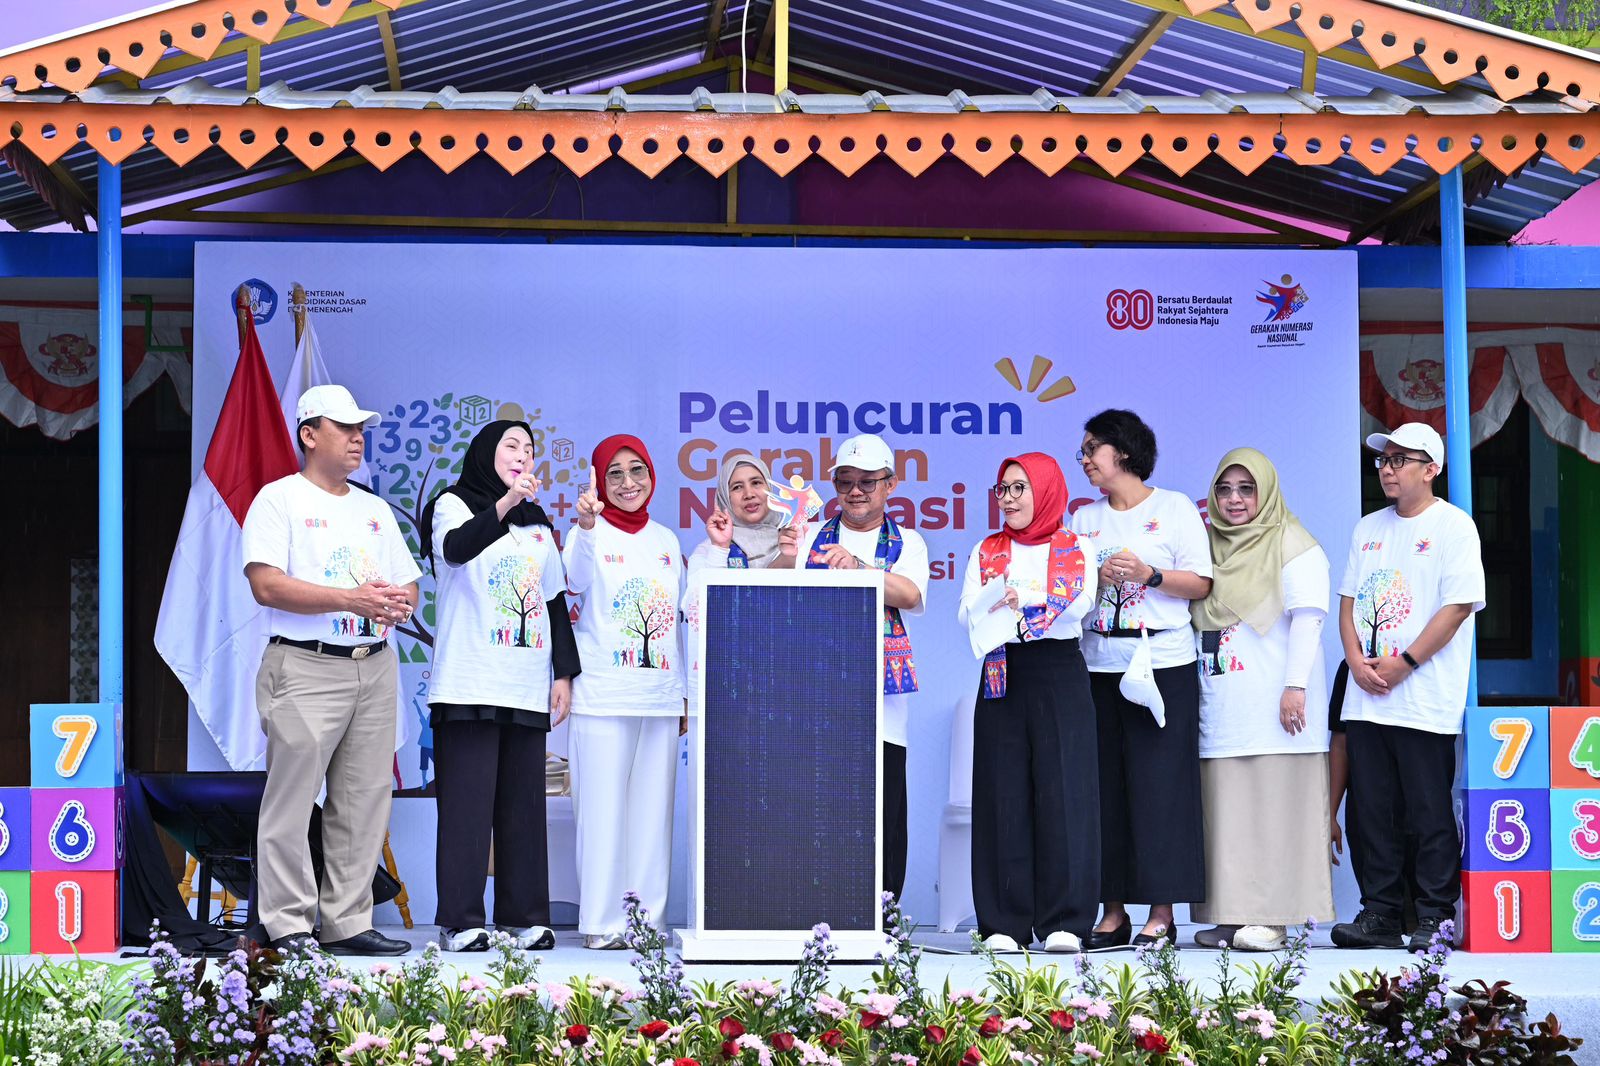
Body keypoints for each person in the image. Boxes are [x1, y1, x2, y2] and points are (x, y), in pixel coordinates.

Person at [242, 384, 420, 956]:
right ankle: (288, 924)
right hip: (305, 664)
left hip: (375, 665)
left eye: (360, 428)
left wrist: (398, 604)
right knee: (291, 800)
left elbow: (408, 583)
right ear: (309, 434)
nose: (356, 437)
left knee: (363, 799)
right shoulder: (278, 499)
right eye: (343, 427)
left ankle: (347, 922)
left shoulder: (372, 508)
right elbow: (266, 584)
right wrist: (352, 599)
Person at [419, 419, 580, 953]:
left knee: (523, 808)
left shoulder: (537, 523)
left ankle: (523, 916)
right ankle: (460, 920)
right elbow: (457, 549)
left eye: (529, 449)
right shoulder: (453, 504)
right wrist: (507, 503)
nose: (522, 455)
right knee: (467, 808)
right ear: (486, 452)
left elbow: (553, 600)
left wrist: (563, 672)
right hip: (469, 682)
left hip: (525, 683)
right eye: (512, 445)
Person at [1331, 422, 1484, 953]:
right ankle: (1380, 913)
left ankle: (1435, 916)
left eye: (1401, 460)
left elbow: (1457, 608)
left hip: (1423, 697)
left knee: (1427, 812)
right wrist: (1355, 660)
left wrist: (1407, 663)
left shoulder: (1454, 527)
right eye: (1384, 460)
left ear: (1431, 469)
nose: (1388, 469)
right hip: (1366, 696)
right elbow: (1348, 602)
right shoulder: (1367, 528)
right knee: (1371, 811)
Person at [1069, 408, 1212, 949]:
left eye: (1092, 449)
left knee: (1160, 788)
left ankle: (1161, 912)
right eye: (1083, 451)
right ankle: (1112, 911)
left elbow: (1200, 583)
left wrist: (1149, 574)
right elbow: (1068, 591)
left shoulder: (1173, 508)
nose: (1084, 460)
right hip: (1098, 662)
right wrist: (1094, 577)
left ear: (1123, 451)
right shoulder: (1084, 519)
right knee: (1103, 788)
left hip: (1162, 662)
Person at [1189, 448, 1335, 951]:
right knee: (1227, 815)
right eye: (1225, 489)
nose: (1234, 500)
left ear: (1266, 492)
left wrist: (1295, 687)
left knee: (1275, 811)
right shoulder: (1208, 546)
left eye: (1247, 489)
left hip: (1277, 707)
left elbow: (1309, 618)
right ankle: (1231, 916)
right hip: (1225, 704)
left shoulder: (1293, 542)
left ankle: (1274, 918)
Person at [958, 453, 1099, 953]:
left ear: (1045, 490)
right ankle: (1004, 922)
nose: (1009, 498)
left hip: (1057, 670)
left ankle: (1066, 921)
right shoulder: (986, 549)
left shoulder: (1074, 545)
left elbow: (1079, 604)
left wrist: (1026, 599)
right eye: (1003, 489)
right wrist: (1003, 603)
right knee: (1002, 792)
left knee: (1065, 792)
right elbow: (968, 610)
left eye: (1020, 488)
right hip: (1002, 668)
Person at [790, 433, 928, 900]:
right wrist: (784, 555)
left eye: (867, 481)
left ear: (890, 484)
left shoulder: (908, 541)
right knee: (817, 805)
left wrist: (858, 569)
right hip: (817, 689)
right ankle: (818, 909)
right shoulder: (809, 535)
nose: (855, 491)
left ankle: (884, 915)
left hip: (880, 696)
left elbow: (909, 594)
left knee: (882, 805)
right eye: (845, 481)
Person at [564, 434, 684, 949]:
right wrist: (587, 526)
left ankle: (645, 922)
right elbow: (572, 581)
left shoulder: (666, 540)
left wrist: (682, 693)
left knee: (653, 817)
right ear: (598, 482)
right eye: (614, 473)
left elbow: (678, 623)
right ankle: (601, 922)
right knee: (602, 813)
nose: (628, 482)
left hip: (659, 696)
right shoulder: (586, 533)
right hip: (604, 695)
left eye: (638, 470)